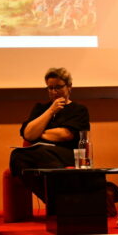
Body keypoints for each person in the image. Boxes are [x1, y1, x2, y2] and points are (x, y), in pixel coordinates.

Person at [10, 67, 90, 203]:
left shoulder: (79, 110)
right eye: (50, 88)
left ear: (69, 87)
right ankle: (54, 200)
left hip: (69, 154)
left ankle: (61, 200)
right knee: (17, 155)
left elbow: (65, 134)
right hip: (42, 155)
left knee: (41, 151)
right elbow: (28, 134)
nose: (54, 92)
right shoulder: (40, 108)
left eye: (58, 87)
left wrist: (39, 133)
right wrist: (50, 110)